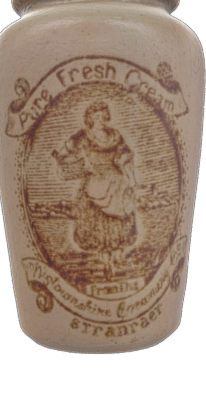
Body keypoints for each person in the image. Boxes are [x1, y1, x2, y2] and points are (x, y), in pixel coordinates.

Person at [52, 101, 137, 279]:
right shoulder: (84, 136)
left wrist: (129, 175)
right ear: (90, 119)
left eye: (103, 116)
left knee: (118, 222)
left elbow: (125, 155)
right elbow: (64, 151)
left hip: (115, 183)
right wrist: (66, 160)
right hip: (94, 184)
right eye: (96, 117)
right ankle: (105, 261)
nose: (100, 120)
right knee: (98, 225)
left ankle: (117, 256)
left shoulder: (114, 136)